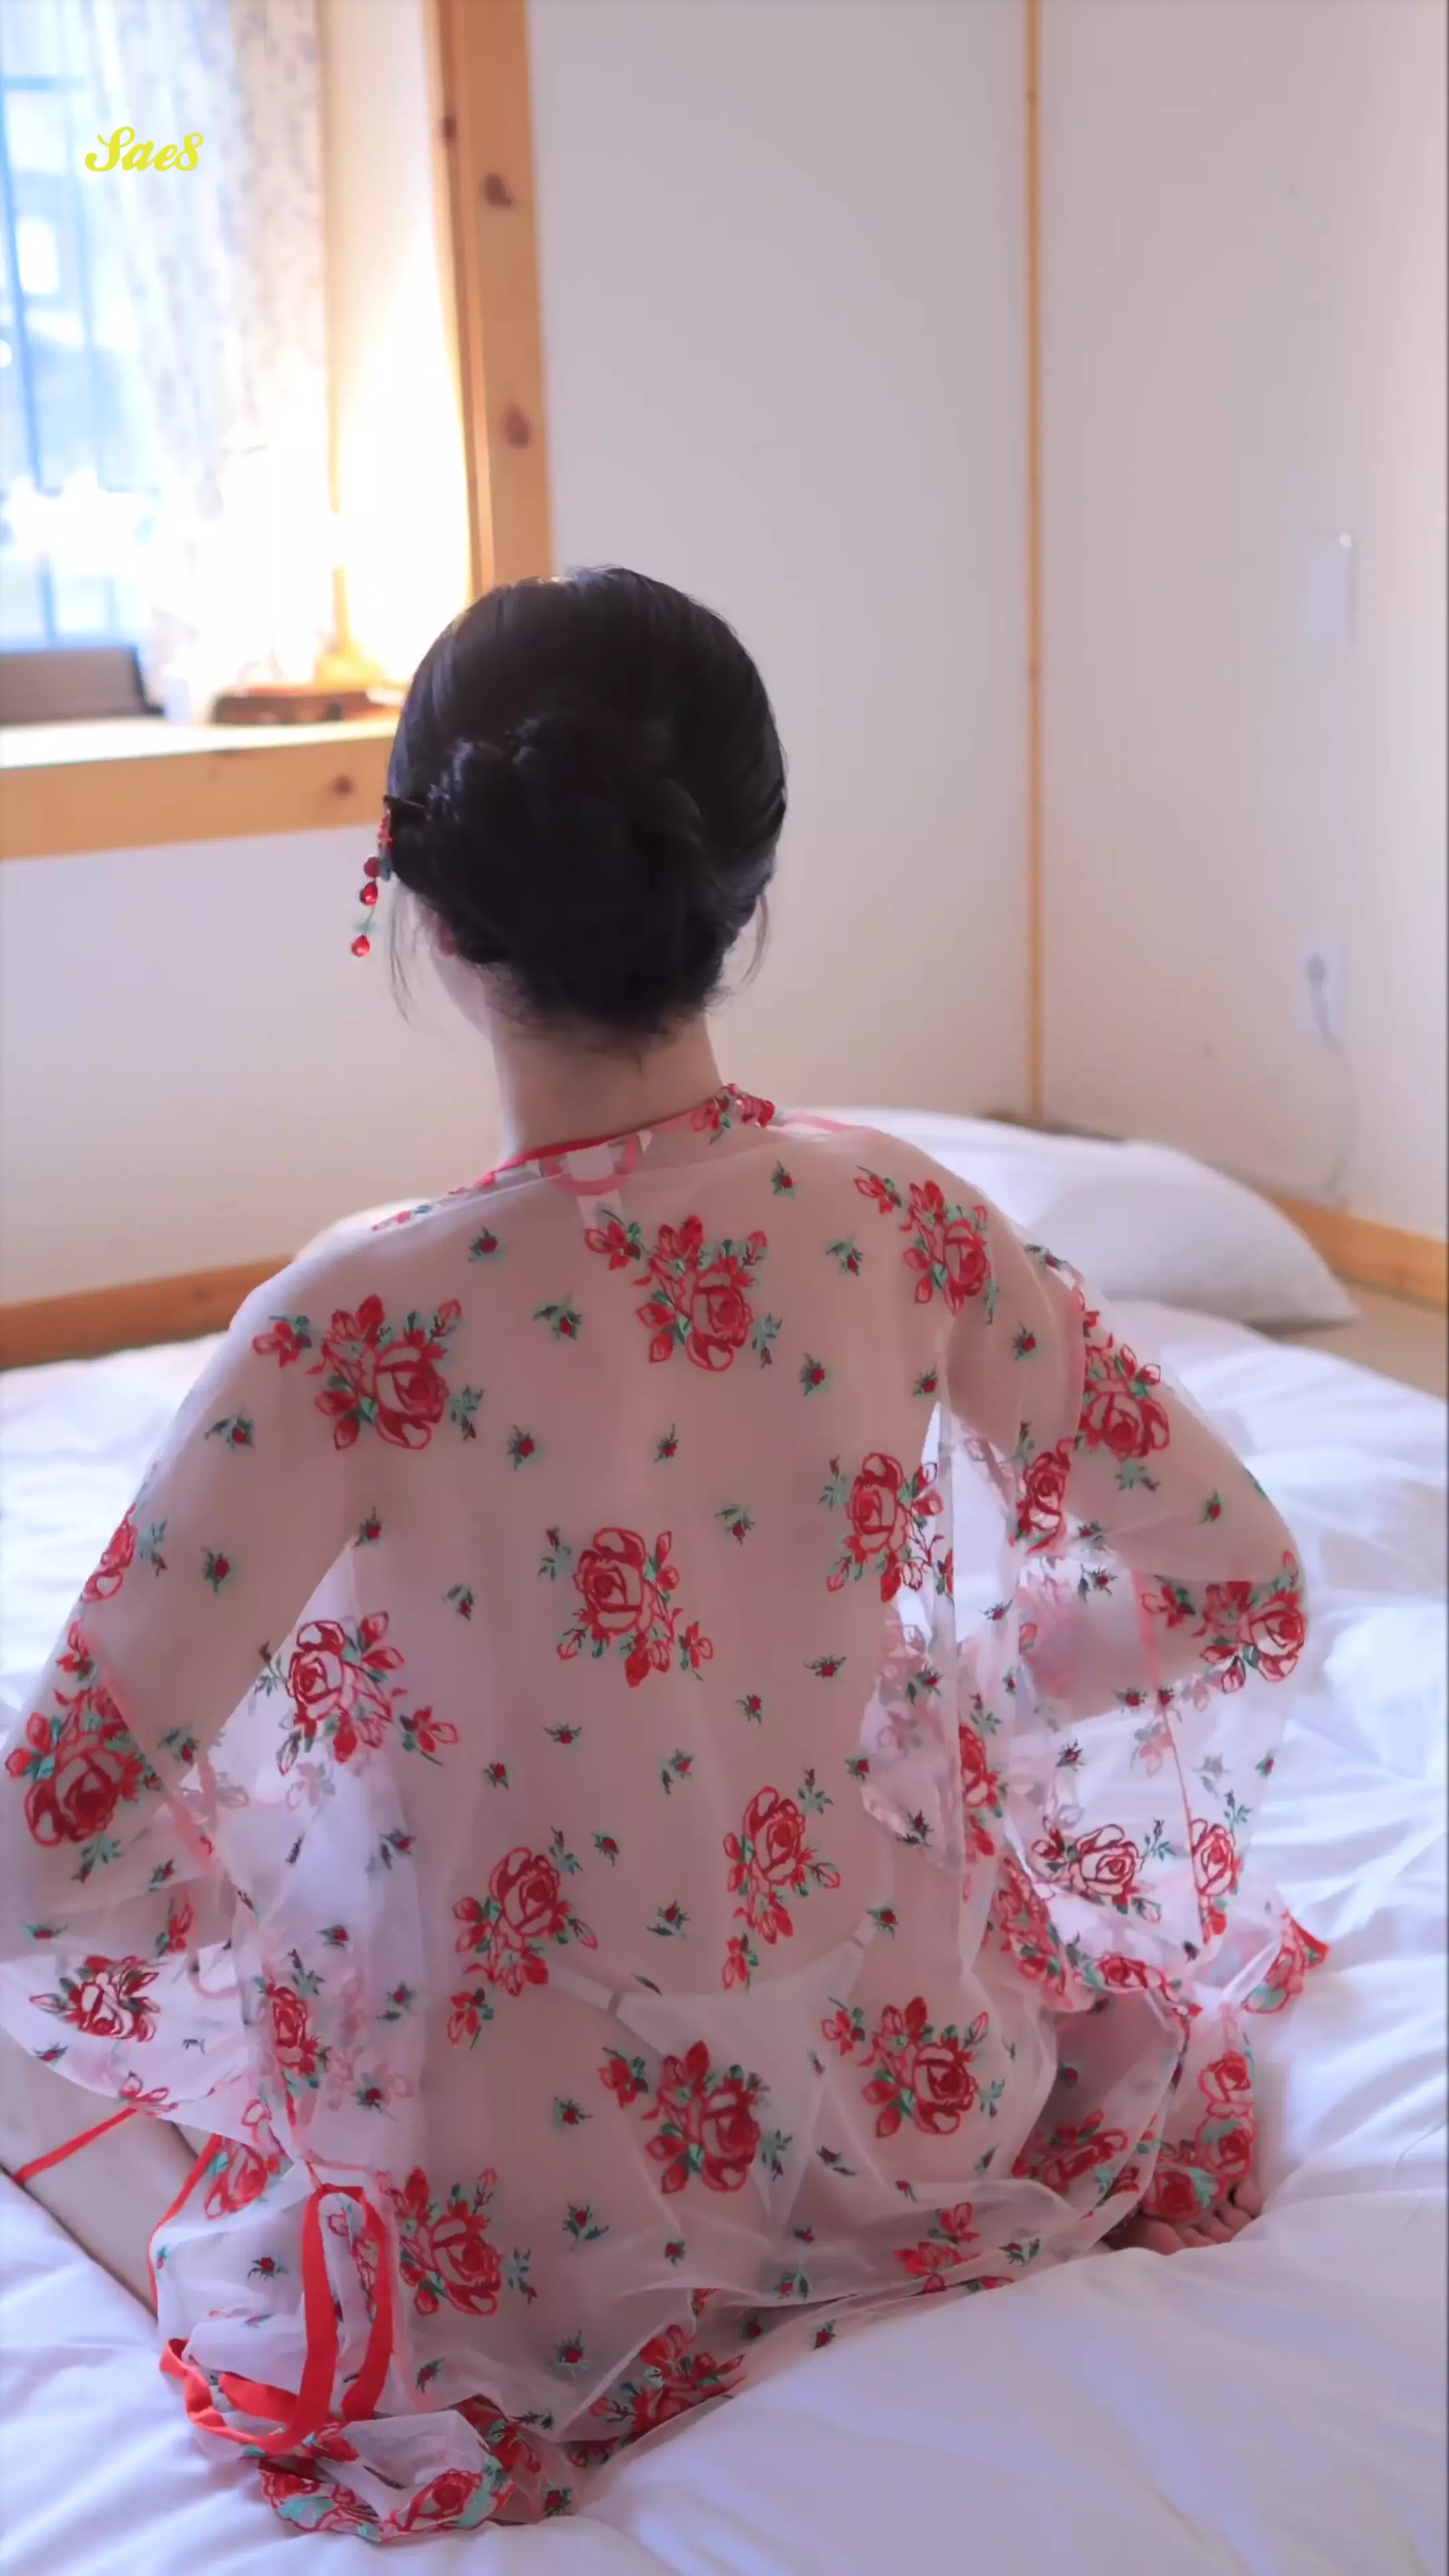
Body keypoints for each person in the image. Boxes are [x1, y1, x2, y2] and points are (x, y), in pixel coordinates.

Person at [0, 569, 1324, 2540]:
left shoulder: (349, 1327)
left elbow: (45, 1852)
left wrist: (291, 1919)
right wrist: (981, 1691)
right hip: (917, 2089)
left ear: (429, 911)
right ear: (746, 881)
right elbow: (1240, 1578)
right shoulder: (910, 1219)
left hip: (529, 2217)